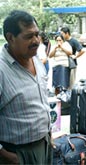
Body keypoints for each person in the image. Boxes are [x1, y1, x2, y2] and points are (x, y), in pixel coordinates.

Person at [0, 10, 52, 164]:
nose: (36, 40)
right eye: (29, 36)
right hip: (16, 153)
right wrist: (4, 155)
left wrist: (48, 134)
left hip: (44, 145)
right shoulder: (2, 70)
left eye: (37, 34)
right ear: (10, 38)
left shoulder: (35, 58)